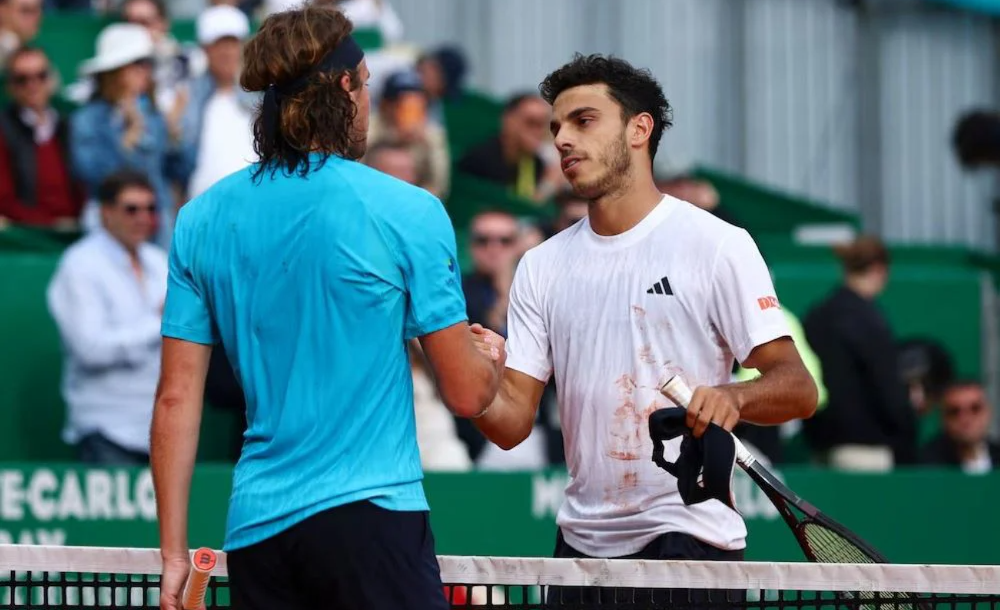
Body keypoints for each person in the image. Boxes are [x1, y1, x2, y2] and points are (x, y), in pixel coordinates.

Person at [150, 7, 503, 610]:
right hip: (372, 523)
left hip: (258, 533)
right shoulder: (409, 210)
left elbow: (174, 399)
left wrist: (173, 555)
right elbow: (469, 395)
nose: (368, 102)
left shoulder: (199, 220)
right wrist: (489, 359)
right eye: (364, 85)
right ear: (344, 87)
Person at [469, 54, 817, 607]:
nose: (562, 139)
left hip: (690, 543)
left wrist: (734, 397)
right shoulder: (539, 265)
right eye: (556, 127)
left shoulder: (718, 245)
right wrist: (478, 376)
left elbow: (798, 387)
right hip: (579, 554)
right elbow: (511, 425)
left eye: (584, 121)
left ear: (639, 129)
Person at [46, 170, 165, 465]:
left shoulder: (159, 261)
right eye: (131, 209)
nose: (143, 218)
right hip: (107, 427)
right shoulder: (80, 265)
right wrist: (160, 324)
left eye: (150, 208)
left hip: (161, 427)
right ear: (106, 213)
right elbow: (90, 349)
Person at [802, 236, 917, 471]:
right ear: (878, 269)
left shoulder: (817, 315)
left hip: (819, 444)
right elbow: (886, 386)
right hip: (865, 451)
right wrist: (906, 429)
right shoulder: (870, 320)